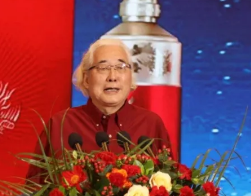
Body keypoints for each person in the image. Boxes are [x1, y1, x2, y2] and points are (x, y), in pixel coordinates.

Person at [25, 39, 173, 183]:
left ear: (130, 77)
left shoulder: (150, 124)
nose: (112, 77)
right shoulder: (60, 126)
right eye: (103, 68)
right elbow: (33, 191)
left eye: (121, 67)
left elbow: (172, 186)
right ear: (86, 79)